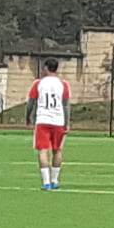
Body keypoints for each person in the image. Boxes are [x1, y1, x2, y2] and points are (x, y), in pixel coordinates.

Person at [27, 58, 71, 191]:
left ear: (46, 68)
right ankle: (55, 180)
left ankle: (46, 182)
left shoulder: (38, 83)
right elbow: (66, 105)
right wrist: (67, 122)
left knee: (43, 150)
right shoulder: (63, 84)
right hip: (58, 121)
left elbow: (31, 102)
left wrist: (28, 117)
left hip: (43, 120)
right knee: (57, 150)